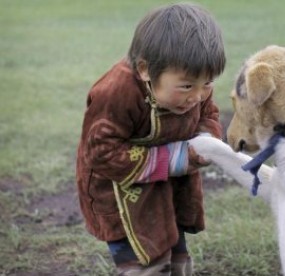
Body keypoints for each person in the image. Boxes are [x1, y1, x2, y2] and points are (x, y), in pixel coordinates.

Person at [75, 3, 225, 275]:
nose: (198, 96)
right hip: (122, 190)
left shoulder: (197, 87)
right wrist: (177, 157)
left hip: (168, 187)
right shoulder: (116, 91)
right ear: (145, 70)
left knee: (174, 244)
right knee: (145, 261)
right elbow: (100, 152)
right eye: (187, 86)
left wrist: (206, 139)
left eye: (208, 83)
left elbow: (209, 114)